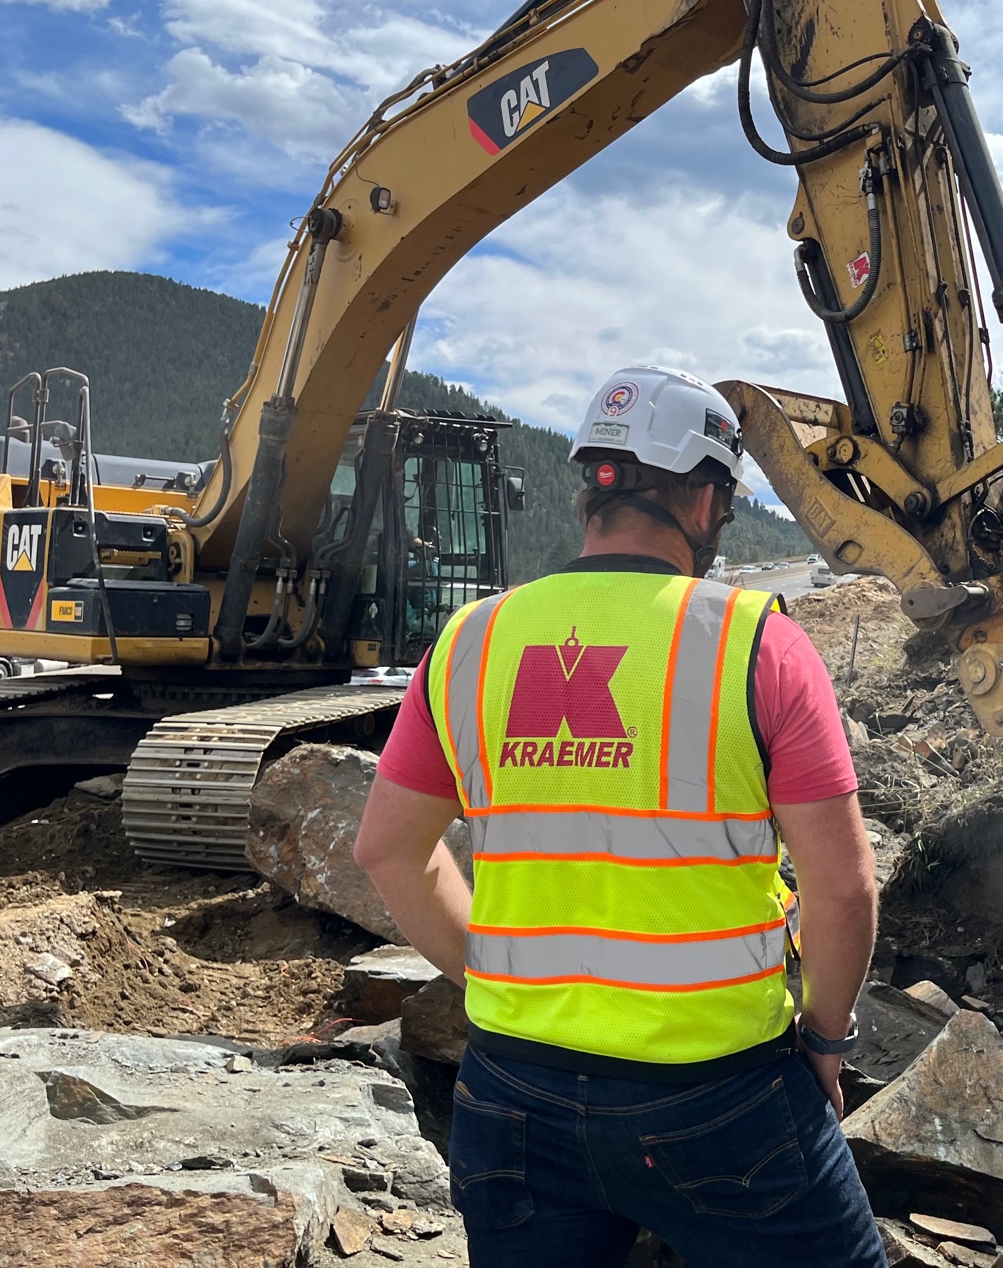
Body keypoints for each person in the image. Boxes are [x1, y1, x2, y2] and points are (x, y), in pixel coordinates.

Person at [354, 364, 887, 1267]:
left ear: (589, 491)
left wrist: (497, 978)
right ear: (706, 497)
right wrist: (826, 1040)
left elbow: (386, 852)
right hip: (721, 1101)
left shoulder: (469, 642)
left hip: (512, 1094)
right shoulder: (756, 642)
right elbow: (843, 889)